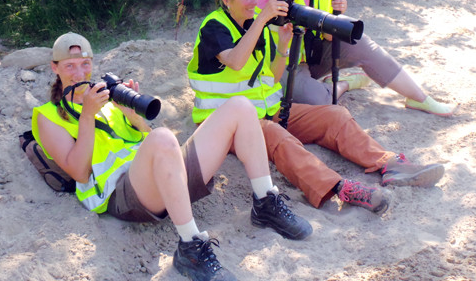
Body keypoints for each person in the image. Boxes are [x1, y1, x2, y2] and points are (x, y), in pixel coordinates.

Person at [31, 32, 312, 281]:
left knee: (240, 106)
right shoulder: (47, 115)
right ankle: (190, 246)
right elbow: (79, 172)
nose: (79, 73)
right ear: (55, 68)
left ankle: (265, 202)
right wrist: (88, 116)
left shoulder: (106, 100)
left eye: (85, 64)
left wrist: (132, 115)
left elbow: (147, 139)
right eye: (69, 66)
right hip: (122, 194)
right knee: (164, 137)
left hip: (166, 179)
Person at [187, 0, 446, 217]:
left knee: (335, 115)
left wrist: (283, 48)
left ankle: (389, 164)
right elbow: (235, 61)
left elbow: (272, 78)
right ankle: (342, 188)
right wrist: (264, 19)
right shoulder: (214, 27)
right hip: (228, 125)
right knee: (279, 138)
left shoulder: (256, 25)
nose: (254, 2)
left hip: (267, 110)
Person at [256, 0, 456, 116]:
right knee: (320, 102)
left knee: (358, 40)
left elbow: (326, 36)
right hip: (274, 63)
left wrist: (336, 16)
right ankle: (342, 84)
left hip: (308, 56)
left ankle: (419, 98)